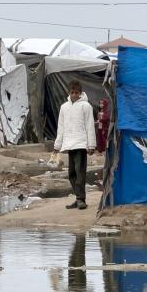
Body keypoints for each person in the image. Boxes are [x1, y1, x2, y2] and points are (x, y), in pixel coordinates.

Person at [53, 81, 95, 210]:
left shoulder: (86, 106)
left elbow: (90, 125)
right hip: (69, 144)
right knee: (71, 173)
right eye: (72, 92)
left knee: (80, 172)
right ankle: (78, 198)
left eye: (77, 93)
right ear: (68, 92)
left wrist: (91, 145)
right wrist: (57, 145)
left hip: (81, 144)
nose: (74, 95)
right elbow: (61, 127)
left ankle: (81, 199)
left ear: (81, 93)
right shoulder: (64, 107)